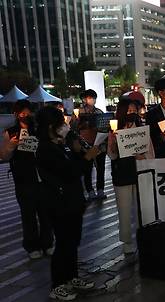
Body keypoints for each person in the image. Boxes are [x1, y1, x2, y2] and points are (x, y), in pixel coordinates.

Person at [36, 106, 98, 301]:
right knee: (63, 243)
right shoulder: (45, 149)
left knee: (73, 242)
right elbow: (68, 172)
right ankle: (58, 285)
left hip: (72, 202)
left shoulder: (60, 144)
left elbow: (73, 166)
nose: (64, 126)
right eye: (60, 123)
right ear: (49, 126)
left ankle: (72, 277)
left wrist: (79, 152)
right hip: (59, 203)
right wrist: (86, 157)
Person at [0, 100, 53, 259]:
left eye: (28, 112)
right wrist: (11, 145)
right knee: (28, 214)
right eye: (22, 113)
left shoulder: (38, 130)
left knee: (45, 213)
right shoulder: (10, 132)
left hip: (42, 177)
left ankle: (48, 243)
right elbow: (4, 155)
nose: (25, 115)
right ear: (16, 115)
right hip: (23, 179)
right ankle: (32, 246)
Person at [107, 98, 154, 255]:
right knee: (124, 209)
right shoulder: (114, 130)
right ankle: (127, 240)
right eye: (129, 111)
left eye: (134, 111)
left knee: (143, 207)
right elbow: (112, 156)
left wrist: (143, 157)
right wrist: (113, 144)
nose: (132, 113)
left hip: (140, 172)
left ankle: (144, 236)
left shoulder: (141, 129)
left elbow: (150, 152)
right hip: (122, 173)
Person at [75, 89, 107, 201]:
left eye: (93, 98)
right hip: (86, 146)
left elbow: (105, 127)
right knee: (87, 169)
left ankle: (100, 189)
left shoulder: (99, 112)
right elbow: (74, 127)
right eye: (88, 98)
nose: (91, 100)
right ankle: (90, 191)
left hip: (99, 144)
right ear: (84, 99)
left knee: (100, 168)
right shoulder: (79, 112)